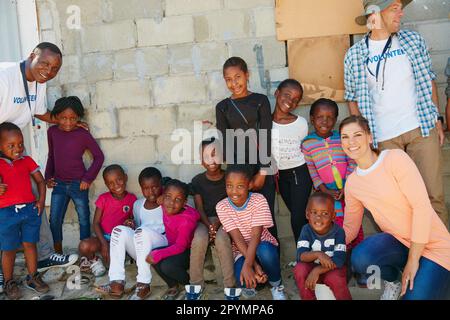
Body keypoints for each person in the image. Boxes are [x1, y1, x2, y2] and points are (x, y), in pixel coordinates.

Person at [344, 0, 448, 226]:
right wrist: (364, 139)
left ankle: (441, 257)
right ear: (375, 14)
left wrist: (436, 119)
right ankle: (410, 256)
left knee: (433, 198)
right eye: (394, 8)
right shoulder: (354, 55)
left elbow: (428, 80)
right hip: (384, 138)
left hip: (421, 129)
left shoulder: (412, 41)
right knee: (399, 204)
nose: (401, 13)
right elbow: (352, 98)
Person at [340, 115, 450, 300]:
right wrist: (324, 244)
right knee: (361, 257)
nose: (351, 142)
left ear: (369, 137)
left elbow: (421, 208)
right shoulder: (352, 183)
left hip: (434, 248)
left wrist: (413, 260)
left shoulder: (394, 159)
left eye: (357, 135)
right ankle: (395, 281)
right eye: (345, 137)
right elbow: (350, 228)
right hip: (399, 243)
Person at [0, 42, 79, 290]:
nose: (49, 70)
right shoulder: (4, 77)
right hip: (2, 153)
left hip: (14, 151)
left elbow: (38, 111)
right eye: (44, 63)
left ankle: (43, 256)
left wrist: (67, 122)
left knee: (32, 199)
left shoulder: (38, 82)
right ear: (31, 56)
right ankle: (5, 274)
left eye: (55, 68)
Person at [215, 57, 278, 239]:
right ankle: (248, 263)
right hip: (238, 171)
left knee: (266, 218)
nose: (234, 83)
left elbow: (266, 134)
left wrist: (262, 173)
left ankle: (272, 264)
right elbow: (225, 142)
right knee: (243, 221)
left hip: (262, 166)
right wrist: (238, 179)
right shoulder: (223, 107)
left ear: (247, 75)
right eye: (229, 79)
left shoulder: (260, 101)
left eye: (238, 77)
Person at [216, 164, 286, 300]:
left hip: (261, 245)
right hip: (241, 250)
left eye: (240, 186)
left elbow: (256, 236)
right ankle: (258, 279)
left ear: (249, 185)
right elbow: (237, 238)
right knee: (242, 279)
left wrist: (249, 265)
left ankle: (276, 285)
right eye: (229, 186)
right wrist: (252, 266)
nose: (234, 192)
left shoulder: (258, 200)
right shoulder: (222, 206)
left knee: (264, 249)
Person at [96, 167, 167, 300]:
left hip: (162, 245)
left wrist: (166, 196)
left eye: (155, 187)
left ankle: (143, 284)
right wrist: (132, 225)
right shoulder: (138, 205)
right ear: (141, 188)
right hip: (142, 249)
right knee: (118, 230)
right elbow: (138, 228)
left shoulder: (167, 202)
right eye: (146, 188)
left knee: (142, 231)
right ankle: (116, 283)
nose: (151, 191)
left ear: (161, 185)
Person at [46, 96, 104, 254]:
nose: (68, 122)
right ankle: (57, 253)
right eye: (63, 118)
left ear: (78, 117)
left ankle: (86, 255)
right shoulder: (52, 132)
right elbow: (52, 156)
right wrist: (48, 177)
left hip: (78, 184)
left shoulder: (82, 134)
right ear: (56, 116)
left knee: (84, 219)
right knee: (55, 220)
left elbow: (99, 157)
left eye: (72, 118)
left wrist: (87, 178)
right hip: (58, 183)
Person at [301, 98, 363, 247]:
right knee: (336, 225)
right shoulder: (307, 144)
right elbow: (312, 171)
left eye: (330, 118)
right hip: (326, 194)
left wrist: (346, 186)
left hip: (349, 190)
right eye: (320, 117)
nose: (325, 121)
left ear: (336, 119)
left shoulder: (341, 138)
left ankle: (357, 259)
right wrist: (325, 190)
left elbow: (352, 161)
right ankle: (340, 258)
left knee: (354, 222)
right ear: (312, 119)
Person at [0, 123, 49, 299]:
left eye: (20, 144)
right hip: (6, 214)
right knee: (9, 248)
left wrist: (41, 201)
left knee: (30, 243)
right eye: (11, 145)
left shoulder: (26, 161)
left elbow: (40, 181)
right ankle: (8, 281)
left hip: (29, 210)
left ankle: (32, 276)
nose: (17, 149)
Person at [186, 138, 236, 300]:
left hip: (225, 219)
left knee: (222, 239)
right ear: (201, 161)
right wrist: (209, 225)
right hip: (204, 220)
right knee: (199, 238)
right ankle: (195, 285)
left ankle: (230, 287)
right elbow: (199, 208)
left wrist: (218, 224)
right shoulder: (198, 181)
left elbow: (231, 204)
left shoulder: (230, 177)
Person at [271, 79, 312, 244]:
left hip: (299, 173)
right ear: (277, 93)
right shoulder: (265, 122)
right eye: (287, 95)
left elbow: (303, 148)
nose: (290, 101)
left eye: (296, 99)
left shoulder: (300, 123)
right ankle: (309, 254)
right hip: (280, 176)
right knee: (297, 217)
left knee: (297, 218)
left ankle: (304, 258)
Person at [78, 164, 137, 277]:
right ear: (106, 185)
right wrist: (104, 244)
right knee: (84, 246)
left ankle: (123, 258)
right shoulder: (103, 199)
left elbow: (132, 220)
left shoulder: (131, 199)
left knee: (112, 265)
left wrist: (129, 223)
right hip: (103, 238)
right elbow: (95, 223)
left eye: (119, 180)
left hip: (119, 240)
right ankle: (94, 261)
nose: (116, 185)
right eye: (111, 183)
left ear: (125, 177)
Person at [146, 179, 200, 300]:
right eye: (168, 197)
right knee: (153, 256)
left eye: (178, 200)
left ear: (185, 202)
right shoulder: (165, 204)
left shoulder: (185, 221)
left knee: (166, 265)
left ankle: (190, 286)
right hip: (172, 246)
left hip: (185, 250)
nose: (171, 203)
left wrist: (159, 253)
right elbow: (162, 199)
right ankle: (173, 285)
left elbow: (180, 246)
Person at [293, 192, 352, 300]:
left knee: (335, 277)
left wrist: (317, 271)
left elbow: (339, 260)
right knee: (299, 269)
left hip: (333, 270)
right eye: (314, 212)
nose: (319, 217)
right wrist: (318, 254)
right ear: (307, 215)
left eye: (325, 213)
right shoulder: (306, 230)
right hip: (311, 268)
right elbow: (300, 256)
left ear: (333, 216)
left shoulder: (339, 231)